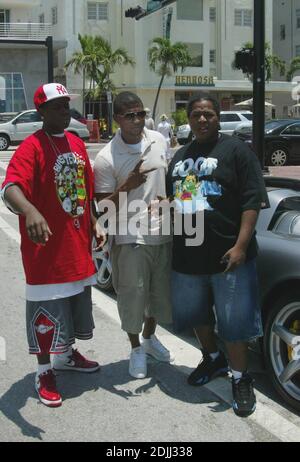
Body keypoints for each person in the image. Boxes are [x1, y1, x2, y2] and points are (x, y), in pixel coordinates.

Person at [1, 83, 105, 408]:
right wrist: (29, 209)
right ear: (41, 111)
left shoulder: (75, 143)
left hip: (76, 246)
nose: (64, 110)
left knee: (74, 305)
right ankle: (44, 370)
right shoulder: (31, 147)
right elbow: (10, 187)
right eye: (57, 106)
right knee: (46, 312)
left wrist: (95, 222)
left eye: (66, 104)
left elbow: (85, 191)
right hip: (46, 252)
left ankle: (67, 354)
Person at [166, 92, 267, 418]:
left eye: (208, 113)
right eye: (196, 114)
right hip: (188, 257)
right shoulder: (180, 156)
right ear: (189, 118)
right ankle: (212, 358)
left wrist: (240, 246)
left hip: (229, 258)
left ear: (217, 116)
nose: (202, 119)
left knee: (235, 324)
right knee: (196, 316)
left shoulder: (237, 151)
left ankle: (240, 378)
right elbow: (185, 202)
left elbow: (251, 200)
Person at [94, 91, 174, 380]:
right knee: (131, 298)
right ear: (117, 119)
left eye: (141, 113)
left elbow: (168, 182)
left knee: (158, 296)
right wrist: (127, 185)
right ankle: (136, 348)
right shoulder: (106, 158)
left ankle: (150, 340)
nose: (138, 120)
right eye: (130, 115)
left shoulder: (159, 140)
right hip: (129, 237)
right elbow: (102, 208)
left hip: (163, 232)